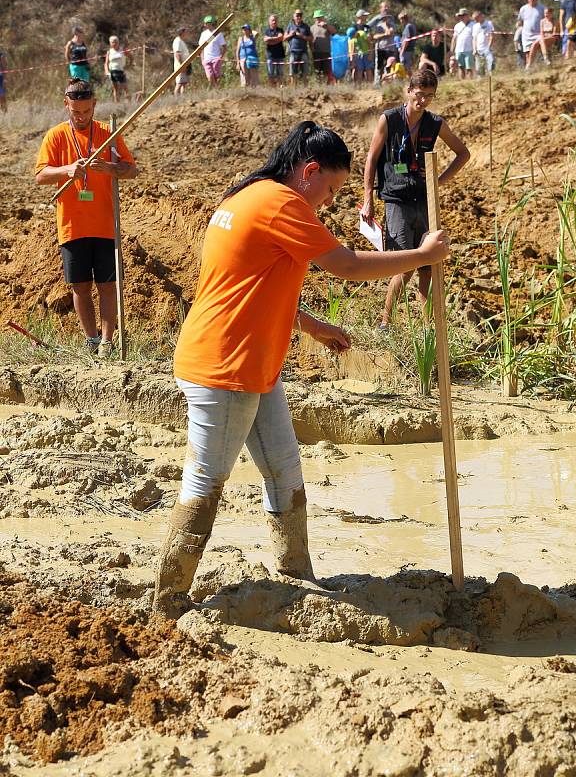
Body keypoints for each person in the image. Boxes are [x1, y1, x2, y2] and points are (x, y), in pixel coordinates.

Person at [152, 120, 450, 619]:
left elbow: (249, 285)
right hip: (226, 367)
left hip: (252, 364)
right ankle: (166, 600)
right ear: (309, 172)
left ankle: (296, 574)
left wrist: (309, 325)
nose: (330, 202)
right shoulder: (282, 204)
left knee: (283, 471)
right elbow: (348, 265)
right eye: (331, 189)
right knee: (205, 482)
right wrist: (422, 255)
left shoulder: (247, 196)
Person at [34, 80, 137, 357]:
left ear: (94, 106)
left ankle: (107, 342)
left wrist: (110, 167)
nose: (81, 117)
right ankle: (91, 340)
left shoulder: (107, 133)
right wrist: (67, 170)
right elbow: (41, 175)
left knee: (107, 285)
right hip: (72, 224)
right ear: (66, 105)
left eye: (86, 111)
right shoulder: (55, 136)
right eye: (75, 112)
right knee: (80, 285)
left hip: (105, 224)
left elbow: (131, 170)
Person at [361, 69, 469, 328]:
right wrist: (368, 198)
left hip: (424, 200)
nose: (423, 101)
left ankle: (427, 326)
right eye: (419, 95)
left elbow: (462, 153)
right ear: (409, 91)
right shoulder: (389, 120)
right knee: (404, 265)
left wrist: (439, 181)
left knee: (428, 266)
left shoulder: (435, 123)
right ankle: (386, 323)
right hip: (396, 199)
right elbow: (372, 159)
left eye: (429, 96)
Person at [284, 9, 313, 85]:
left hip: (303, 51)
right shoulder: (290, 26)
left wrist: (302, 36)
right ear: (294, 16)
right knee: (292, 72)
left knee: (305, 71)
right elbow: (284, 38)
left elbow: (311, 38)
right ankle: (294, 89)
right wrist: (291, 34)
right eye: (297, 15)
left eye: (300, 15)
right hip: (293, 51)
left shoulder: (306, 26)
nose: (299, 17)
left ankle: (306, 89)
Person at [518, 0, 545, 68]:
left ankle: (540, 67)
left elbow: (546, 19)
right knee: (527, 53)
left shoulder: (542, 8)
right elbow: (520, 21)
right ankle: (530, 69)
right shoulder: (523, 9)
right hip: (526, 35)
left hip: (538, 34)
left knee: (538, 52)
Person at [199, 16, 227, 88]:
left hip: (216, 58)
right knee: (210, 76)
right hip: (206, 58)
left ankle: (216, 90)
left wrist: (220, 57)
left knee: (217, 76)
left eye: (208, 23)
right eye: (205, 23)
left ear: (212, 23)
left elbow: (224, 47)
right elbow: (201, 48)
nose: (206, 25)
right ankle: (216, 88)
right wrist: (202, 59)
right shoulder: (203, 34)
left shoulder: (218, 33)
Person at [310, 10, 336, 84]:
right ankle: (319, 85)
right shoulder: (312, 28)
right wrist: (311, 48)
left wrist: (326, 26)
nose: (319, 19)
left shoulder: (327, 26)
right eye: (317, 18)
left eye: (320, 17)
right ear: (314, 18)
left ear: (323, 17)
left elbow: (334, 32)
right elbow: (310, 40)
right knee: (317, 70)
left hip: (326, 52)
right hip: (316, 52)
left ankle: (327, 86)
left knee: (327, 70)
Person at [372, 2, 397, 77]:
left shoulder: (392, 24)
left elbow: (390, 32)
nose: (386, 18)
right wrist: (383, 34)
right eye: (384, 17)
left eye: (387, 17)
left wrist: (385, 26)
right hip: (380, 48)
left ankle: (387, 81)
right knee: (379, 66)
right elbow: (375, 36)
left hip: (390, 49)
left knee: (389, 66)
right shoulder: (378, 26)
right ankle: (377, 83)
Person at [104, 35, 130, 102]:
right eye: (112, 42)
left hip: (121, 71)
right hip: (113, 72)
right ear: (110, 43)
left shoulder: (122, 50)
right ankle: (117, 104)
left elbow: (131, 57)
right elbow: (106, 63)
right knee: (116, 89)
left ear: (118, 42)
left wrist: (128, 65)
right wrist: (107, 72)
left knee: (125, 87)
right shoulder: (109, 52)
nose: (114, 43)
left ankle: (129, 103)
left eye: (116, 42)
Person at [451, 8, 474, 79]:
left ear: (467, 16)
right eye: (460, 16)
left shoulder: (473, 25)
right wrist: (452, 50)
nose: (461, 17)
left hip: (469, 49)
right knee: (461, 67)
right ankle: (462, 82)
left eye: (463, 15)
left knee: (469, 68)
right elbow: (454, 38)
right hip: (459, 50)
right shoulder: (457, 26)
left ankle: (470, 81)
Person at [263, 14, 285, 86]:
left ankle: (280, 87)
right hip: (270, 56)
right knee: (270, 73)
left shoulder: (280, 30)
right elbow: (266, 40)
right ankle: (272, 88)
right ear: (269, 22)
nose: (274, 22)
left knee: (280, 73)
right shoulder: (266, 30)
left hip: (280, 55)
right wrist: (276, 39)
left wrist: (271, 39)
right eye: (272, 20)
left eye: (275, 20)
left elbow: (281, 38)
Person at [472, 10, 494, 76]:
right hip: (478, 49)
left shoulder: (489, 23)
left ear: (481, 16)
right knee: (479, 67)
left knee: (490, 63)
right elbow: (474, 38)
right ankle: (481, 79)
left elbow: (491, 36)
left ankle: (491, 77)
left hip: (487, 48)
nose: (475, 20)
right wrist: (474, 49)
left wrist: (489, 46)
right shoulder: (475, 26)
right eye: (474, 19)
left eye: (476, 18)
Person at [354, 9, 374, 82]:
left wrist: (371, 53)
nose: (366, 17)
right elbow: (352, 39)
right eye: (365, 15)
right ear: (360, 16)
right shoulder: (354, 27)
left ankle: (370, 87)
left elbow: (371, 39)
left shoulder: (367, 27)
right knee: (359, 69)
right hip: (358, 52)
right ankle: (358, 86)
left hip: (367, 51)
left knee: (369, 69)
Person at [172, 26, 191, 95]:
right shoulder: (178, 41)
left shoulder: (181, 41)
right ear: (182, 33)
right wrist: (182, 65)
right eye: (186, 32)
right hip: (181, 65)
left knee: (184, 83)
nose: (187, 34)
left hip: (185, 64)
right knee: (179, 83)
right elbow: (177, 54)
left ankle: (182, 97)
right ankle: (176, 98)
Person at [397, 11, 417, 76]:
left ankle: (411, 80)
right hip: (410, 50)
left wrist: (402, 51)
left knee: (407, 67)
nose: (400, 21)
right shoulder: (412, 25)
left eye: (400, 19)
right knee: (409, 67)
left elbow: (407, 40)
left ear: (403, 19)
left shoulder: (408, 27)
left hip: (407, 50)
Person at [0, 48, 7, 112]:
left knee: (2, 97)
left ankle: (4, 113)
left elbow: (4, 67)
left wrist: (5, 78)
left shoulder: (1, 55)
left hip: (0, 78)